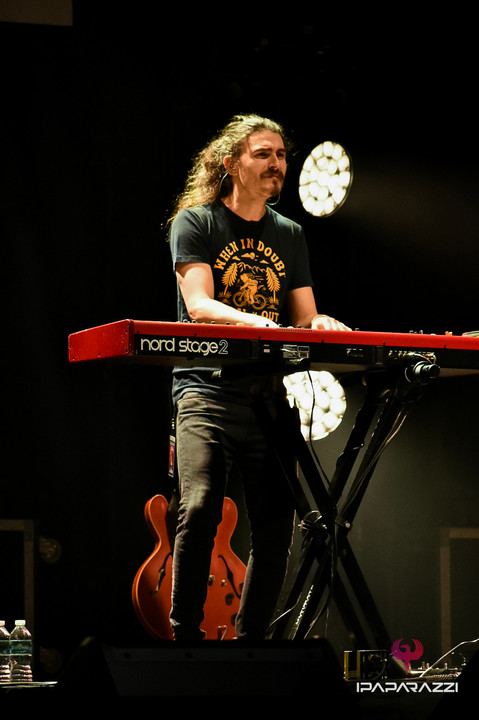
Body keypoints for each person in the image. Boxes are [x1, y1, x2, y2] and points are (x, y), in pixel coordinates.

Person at [167, 114, 349, 642]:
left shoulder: (289, 233)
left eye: (281, 156)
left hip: (266, 397)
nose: (276, 164)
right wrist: (256, 321)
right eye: (263, 154)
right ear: (231, 163)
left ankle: (252, 645)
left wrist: (321, 323)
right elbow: (199, 305)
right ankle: (185, 637)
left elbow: (303, 316)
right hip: (206, 391)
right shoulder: (196, 223)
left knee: (276, 522)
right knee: (200, 505)